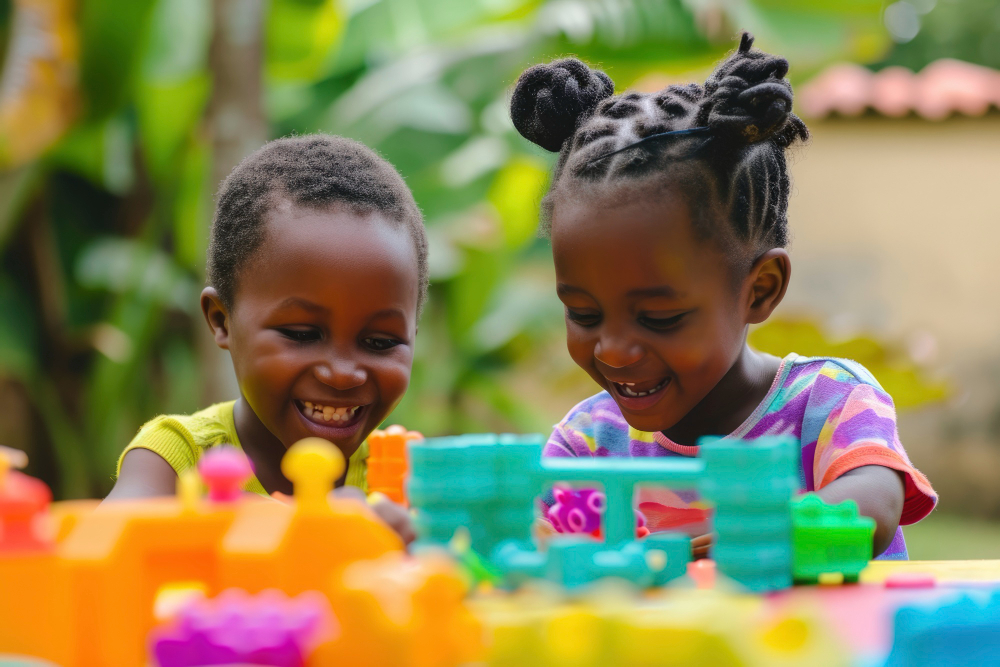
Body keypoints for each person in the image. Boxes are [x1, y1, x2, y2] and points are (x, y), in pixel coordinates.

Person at [510, 33, 936, 559]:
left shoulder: (827, 404)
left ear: (761, 289)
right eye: (583, 313)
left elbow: (872, 504)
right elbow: (538, 538)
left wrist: (759, 537)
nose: (613, 349)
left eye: (659, 317)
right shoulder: (588, 444)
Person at [105, 135, 426, 543]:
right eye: (302, 334)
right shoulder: (176, 459)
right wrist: (301, 524)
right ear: (222, 320)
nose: (342, 373)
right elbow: (98, 551)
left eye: (380, 342)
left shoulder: (408, 479)